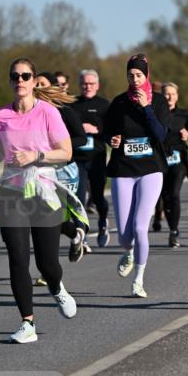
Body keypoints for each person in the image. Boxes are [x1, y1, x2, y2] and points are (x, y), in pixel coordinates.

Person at [0, 58, 87, 344]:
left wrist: (36, 156)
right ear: (10, 81)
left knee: (47, 264)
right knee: (17, 258)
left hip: (44, 191)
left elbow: (66, 152)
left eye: (25, 76)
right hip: (12, 193)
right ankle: (27, 322)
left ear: (34, 81)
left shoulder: (48, 112)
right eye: (15, 76)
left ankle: (57, 287)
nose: (20, 80)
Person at [104, 54, 171, 297]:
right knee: (124, 235)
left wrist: (147, 108)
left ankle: (139, 280)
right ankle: (128, 251)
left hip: (151, 169)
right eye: (131, 75)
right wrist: (111, 139)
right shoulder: (119, 102)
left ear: (147, 75)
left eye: (139, 75)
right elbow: (107, 131)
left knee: (140, 227)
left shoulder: (159, 101)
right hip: (123, 169)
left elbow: (161, 134)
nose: (135, 79)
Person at [33, 72, 90, 272]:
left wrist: (58, 146)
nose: (37, 86)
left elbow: (81, 138)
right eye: (35, 83)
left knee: (54, 218)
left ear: (51, 86)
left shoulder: (64, 110)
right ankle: (75, 235)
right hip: (41, 170)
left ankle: (49, 270)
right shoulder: (29, 113)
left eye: (42, 83)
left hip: (64, 170)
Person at [73, 69, 110, 248]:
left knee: (97, 197)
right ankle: (82, 234)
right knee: (78, 198)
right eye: (84, 83)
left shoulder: (104, 105)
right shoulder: (72, 104)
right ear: (79, 85)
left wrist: (97, 130)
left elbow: (111, 131)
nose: (87, 86)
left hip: (97, 158)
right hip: (77, 158)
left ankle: (103, 222)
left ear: (97, 85)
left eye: (91, 84)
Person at [160, 82, 188, 248]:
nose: (170, 97)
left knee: (174, 193)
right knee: (165, 197)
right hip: (160, 159)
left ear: (177, 96)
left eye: (173, 94)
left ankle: (173, 231)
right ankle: (171, 227)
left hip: (178, 158)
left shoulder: (183, 114)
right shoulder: (156, 114)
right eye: (166, 94)